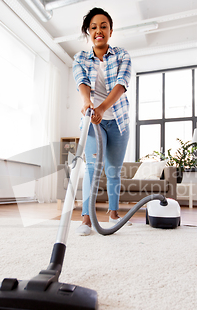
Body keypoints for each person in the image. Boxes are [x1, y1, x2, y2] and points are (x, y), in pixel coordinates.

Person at [72, 7, 132, 236]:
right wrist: (88, 103)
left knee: (113, 169)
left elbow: (121, 84)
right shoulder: (80, 58)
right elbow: (82, 82)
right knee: (91, 168)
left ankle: (114, 213)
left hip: (118, 121)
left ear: (110, 30)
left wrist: (102, 108)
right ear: (89, 31)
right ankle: (86, 219)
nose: (99, 31)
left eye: (103, 26)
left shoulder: (122, 55)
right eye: (94, 27)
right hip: (92, 122)